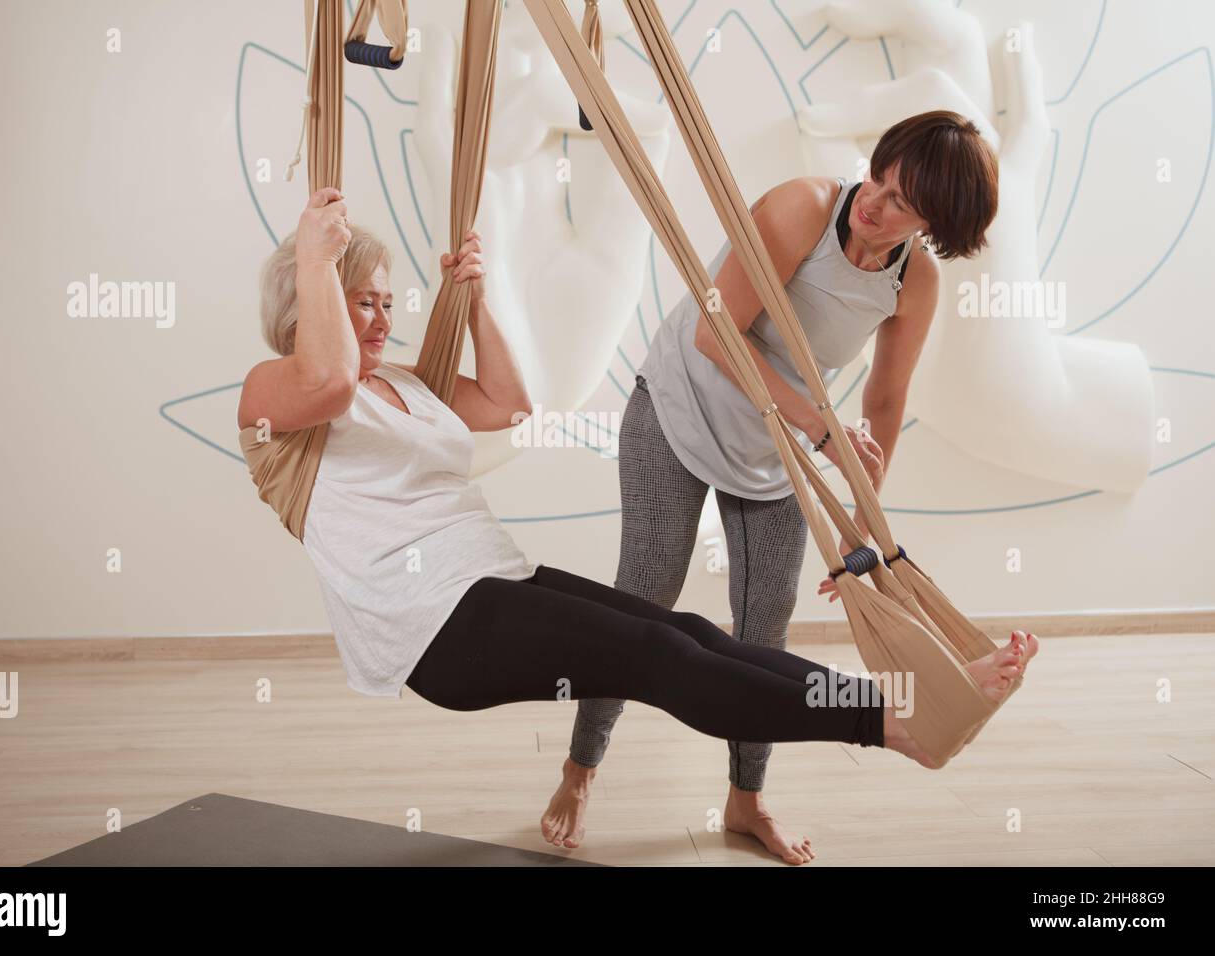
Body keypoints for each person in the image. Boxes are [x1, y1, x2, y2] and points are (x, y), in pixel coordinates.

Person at [237, 183, 1036, 863]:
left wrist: (475, 300)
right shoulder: (276, 394)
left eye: (384, 300)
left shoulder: (403, 384)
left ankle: (903, 704)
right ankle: (900, 727)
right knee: (658, 655)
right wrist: (314, 255)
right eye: (358, 300)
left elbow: (509, 403)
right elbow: (331, 378)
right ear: (307, 302)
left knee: (686, 632)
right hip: (432, 627)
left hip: (491, 580)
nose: (378, 318)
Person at [545, 110, 1005, 862]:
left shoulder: (914, 282)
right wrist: (822, 431)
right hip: (679, 408)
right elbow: (715, 333)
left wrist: (860, 532)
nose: (875, 202)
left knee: (765, 624)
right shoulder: (802, 208)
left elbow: (884, 404)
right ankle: (580, 768)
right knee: (645, 594)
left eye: (901, 201)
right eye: (880, 177)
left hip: (776, 447)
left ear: (934, 223)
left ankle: (745, 801)